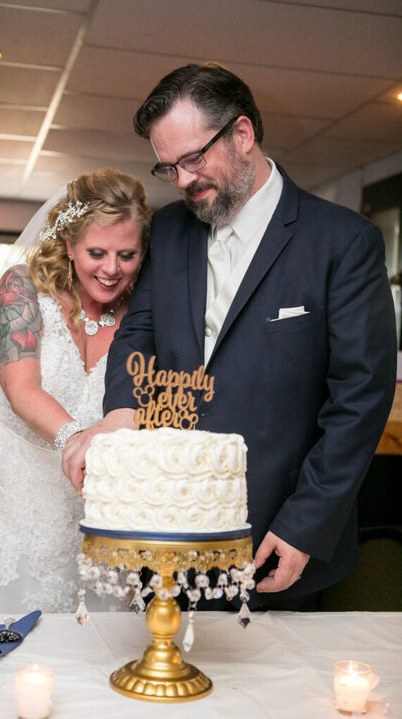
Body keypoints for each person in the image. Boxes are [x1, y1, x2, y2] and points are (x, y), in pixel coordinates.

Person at [62, 64, 397, 611]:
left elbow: (359, 399)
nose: (182, 180)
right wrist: (120, 413)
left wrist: (305, 523)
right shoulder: (167, 231)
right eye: (168, 167)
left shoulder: (342, 241)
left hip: (277, 535)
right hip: (166, 523)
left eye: (193, 159)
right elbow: (138, 333)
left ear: (242, 134)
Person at [0, 168, 150, 616]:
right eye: (97, 253)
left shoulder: (144, 309)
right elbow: (21, 388)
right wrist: (77, 441)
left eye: (127, 255)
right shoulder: (22, 288)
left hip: (95, 508)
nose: (111, 269)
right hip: (13, 496)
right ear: (68, 244)